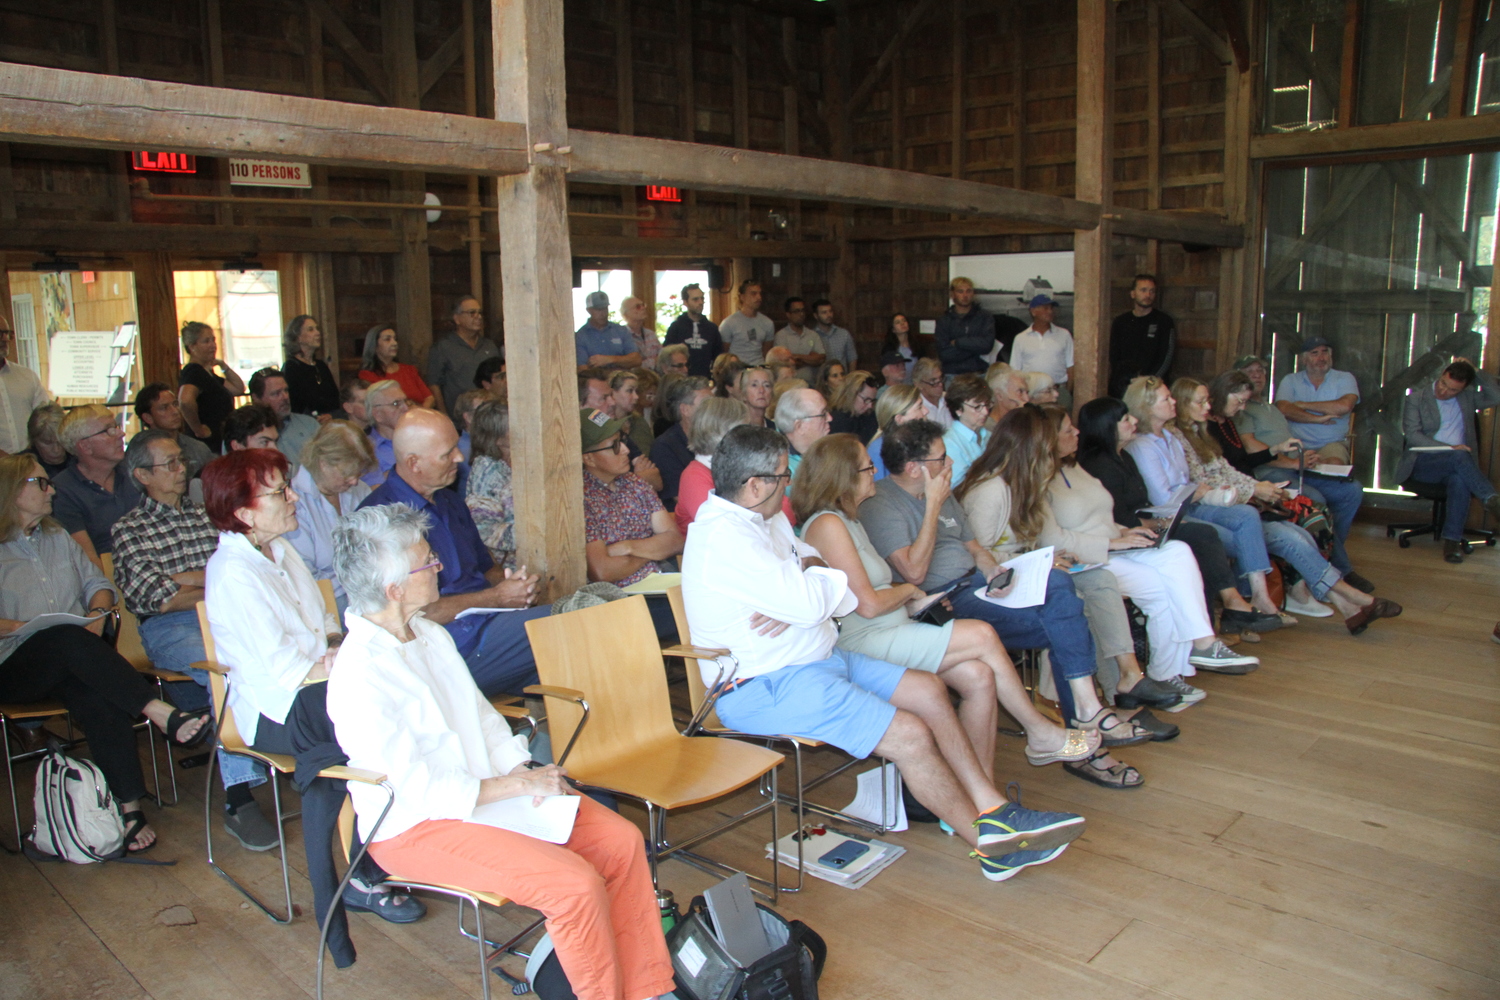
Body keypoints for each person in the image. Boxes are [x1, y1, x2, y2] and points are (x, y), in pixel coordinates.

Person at [686, 425, 1088, 880]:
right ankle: (992, 847)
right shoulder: (725, 538)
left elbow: (825, 591)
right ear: (755, 485)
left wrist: (807, 582)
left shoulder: (766, 516)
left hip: (818, 659)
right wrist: (807, 590)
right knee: (910, 735)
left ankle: (993, 807)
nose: (789, 484)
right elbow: (826, 597)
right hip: (764, 684)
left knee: (929, 691)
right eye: (782, 477)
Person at [327, 503, 675, 1000]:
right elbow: (419, 790)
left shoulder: (426, 633)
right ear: (394, 590)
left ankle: (647, 988)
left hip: (485, 792)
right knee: (573, 886)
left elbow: (484, 719)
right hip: (416, 824)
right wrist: (518, 784)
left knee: (619, 842)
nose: (440, 568)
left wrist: (523, 767)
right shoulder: (360, 675)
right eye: (428, 563)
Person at [203, 448, 425, 935]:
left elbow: (325, 623)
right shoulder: (233, 573)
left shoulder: (280, 551)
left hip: (317, 687)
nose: (291, 497)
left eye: (287, 486)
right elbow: (283, 671)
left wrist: (334, 649)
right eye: (278, 491)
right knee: (378, 721)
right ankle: (365, 871)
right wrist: (339, 663)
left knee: (401, 701)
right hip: (273, 711)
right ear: (242, 513)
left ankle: (395, 849)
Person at [863, 419, 1149, 787]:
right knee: (1066, 624)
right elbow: (914, 572)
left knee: (1060, 585)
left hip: (977, 583)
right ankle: (1086, 729)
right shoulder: (883, 503)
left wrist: (996, 571)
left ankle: (1084, 714)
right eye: (941, 458)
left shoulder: (945, 492)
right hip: (944, 601)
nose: (950, 464)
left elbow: (974, 547)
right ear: (916, 467)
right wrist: (932, 504)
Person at [795, 434, 1099, 770]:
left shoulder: (849, 520)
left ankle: (978, 790)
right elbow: (867, 604)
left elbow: (870, 591)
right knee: (982, 634)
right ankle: (1039, 732)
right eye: (867, 468)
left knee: (978, 674)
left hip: (891, 626)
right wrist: (910, 592)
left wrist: (914, 601)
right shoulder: (827, 524)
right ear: (844, 477)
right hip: (864, 640)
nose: (874, 474)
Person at [0, 454, 210, 854]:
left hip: (71, 657)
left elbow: (100, 584)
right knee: (65, 636)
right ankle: (159, 711)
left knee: (95, 691)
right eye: (41, 483)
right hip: (13, 663)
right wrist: (17, 628)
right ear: (11, 490)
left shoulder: (57, 537)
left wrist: (97, 610)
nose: (52, 490)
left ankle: (129, 807)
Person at [111, 430, 279, 848]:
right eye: (169, 463)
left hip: (230, 616)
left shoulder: (207, 514)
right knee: (226, 673)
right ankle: (239, 800)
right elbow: (160, 599)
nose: (182, 469)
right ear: (142, 475)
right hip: (171, 628)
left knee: (282, 654)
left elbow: (250, 568)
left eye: (181, 460)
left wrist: (188, 579)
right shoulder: (130, 528)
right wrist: (216, 581)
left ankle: (287, 752)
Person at [962, 407, 1193, 712]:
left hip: (1027, 571)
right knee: (1079, 596)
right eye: (1047, 451)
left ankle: (1125, 681)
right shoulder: (991, 490)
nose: (1052, 459)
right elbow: (978, 554)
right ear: (1030, 451)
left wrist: (1045, 557)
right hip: (995, 584)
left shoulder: (1023, 484)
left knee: (1100, 579)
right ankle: (1100, 697)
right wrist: (1038, 559)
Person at [1134, 377, 1400, 636]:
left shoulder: (1198, 432)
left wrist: (1257, 489)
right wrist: (1255, 489)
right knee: (1286, 536)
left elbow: (1225, 472)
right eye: (1202, 402)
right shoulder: (1175, 437)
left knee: (1299, 534)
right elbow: (1197, 485)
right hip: (1210, 509)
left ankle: (1348, 606)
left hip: (1225, 503)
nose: (1208, 407)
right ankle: (1345, 598)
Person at [1031, 406, 1258, 680]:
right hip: (1083, 559)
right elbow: (1052, 539)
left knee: (1177, 550)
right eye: (1068, 430)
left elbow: (1101, 513)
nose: (1077, 431)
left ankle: (1200, 646)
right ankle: (1171, 672)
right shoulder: (1038, 479)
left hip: (1112, 545)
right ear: (1048, 439)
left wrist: (1126, 532)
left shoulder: (1073, 466)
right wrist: (1113, 542)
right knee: (1161, 586)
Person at [360, 408, 550, 696]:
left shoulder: (449, 500)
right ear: (414, 463)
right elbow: (410, 614)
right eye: (447, 454)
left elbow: (487, 570)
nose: (460, 458)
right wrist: (497, 597)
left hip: (490, 624)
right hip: (447, 648)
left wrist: (516, 585)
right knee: (575, 621)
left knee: (576, 641)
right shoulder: (379, 520)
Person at [1075, 397, 1286, 642]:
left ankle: (1218, 619)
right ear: (1106, 427)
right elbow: (1121, 517)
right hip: (1125, 535)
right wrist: (1166, 523)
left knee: (1204, 536)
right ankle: (1223, 614)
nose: (1134, 421)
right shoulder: (1100, 466)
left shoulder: (1123, 457)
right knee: (1201, 536)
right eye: (1125, 419)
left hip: (1148, 523)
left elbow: (1142, 505)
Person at [1207, 370, 1371, 590]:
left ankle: (1325, 568)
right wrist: (1258, 485)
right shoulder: (1214, 426)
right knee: (1312, 506)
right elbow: (1224, 472)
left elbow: (1243, 460)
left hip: (1256, 481)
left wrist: (1276, 449)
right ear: (1224, 392)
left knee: (1349, 491)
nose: (1242, 407)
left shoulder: (1231, 419)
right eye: (1240, 401)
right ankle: (1329, 577)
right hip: (1249, 486)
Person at [1394, 357, 1500, 562]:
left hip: (1456, 465)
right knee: (1459, 456)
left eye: (1452, 390)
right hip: (1424, 463)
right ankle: (1491, 499)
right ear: (1441, 375)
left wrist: (1475, 370)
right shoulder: (1417, 398)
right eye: (1444, 383)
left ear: (1463, 388)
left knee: (1459, 480)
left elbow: (1496, 396)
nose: (1444, 391)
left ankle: (1451, 544)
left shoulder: (1467, 397)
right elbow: (1412, 435)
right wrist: (1450, 448)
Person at [581, 408, 684, 601]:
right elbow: (602, 572)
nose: (626, 450)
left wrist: (627, 547)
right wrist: (653, 551)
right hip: (619, 602)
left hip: (661, 587)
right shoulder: (582, 499)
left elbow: (676, 541)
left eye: (623, 440)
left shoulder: (635, 483)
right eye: (614, 446)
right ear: (588, 458)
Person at [283, 421, 377, 615]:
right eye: (346, 474)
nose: (354, 481)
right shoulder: (295, 504)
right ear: (323, 463)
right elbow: (306, 578)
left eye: (358, 473)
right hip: (327, 604)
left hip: (372, 592)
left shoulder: (359, 491)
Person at [674, 396, 773, 535]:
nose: (750, 437)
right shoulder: (694, 477)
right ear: (721, 434)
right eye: (744, 431)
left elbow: (782, 512)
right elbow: (722, 530)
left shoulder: (739, 467)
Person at [52, 405, 139, 561]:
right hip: (109, 573)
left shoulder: (135, 472)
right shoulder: (62, 490)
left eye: (116, 427)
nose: (121, 433)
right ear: (85, 446)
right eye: (108, 430)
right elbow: (87, 560)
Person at [1275, 336, 1359, 464]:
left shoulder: (1344, 378)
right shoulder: (1290, 380)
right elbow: (1283, 410)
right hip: (1295, 443)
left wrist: (1302, 405)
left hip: (1331, 444)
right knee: (1282, 467)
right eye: (1314, 353)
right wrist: (1317, 419)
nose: (1321, 358)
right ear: (1303, 359)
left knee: (1334, 464)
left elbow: (1345, 406)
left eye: (1325, 352)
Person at [428, 295, 501, 416]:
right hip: (460, 418)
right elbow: (434, 384)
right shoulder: (442, 348)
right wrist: (443, 415)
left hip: (489, 416)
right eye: (472, 313)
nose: (478, 317)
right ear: (457, 319)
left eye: (480, 312)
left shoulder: (489, 346)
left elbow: (500, 378)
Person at [178, 321, 245, 453]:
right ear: (192, 347)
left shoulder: (207, 374)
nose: (213, 345)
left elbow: (238, 388)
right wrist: (198, 429)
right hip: (208, 444)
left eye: (213, 340)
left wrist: (223, 366)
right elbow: (185, 401)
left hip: (220, 440)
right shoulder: (194, 371)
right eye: (206, 341)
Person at [465, 401, 517, 569]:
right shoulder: (486, 470)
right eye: (513, 426)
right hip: (507, 569)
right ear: (497, 438)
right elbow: (484, 529)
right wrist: (536, 534)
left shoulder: (520, 460)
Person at [649, 375, 711, 511]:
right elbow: (683, 499)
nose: (713, 409)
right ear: (685, 410)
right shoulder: (664, 447)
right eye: (706, 404)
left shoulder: (715, 440)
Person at [1108, 275, 1175, 398]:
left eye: (1152, 291)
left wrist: (1149, 381)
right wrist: (1125, 380)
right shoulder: (1121, 322)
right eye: (1143, 290)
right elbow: (1114, 355)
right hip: (1124, 386)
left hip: (1153, 387)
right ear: (1133, 294)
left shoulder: (1164, 321)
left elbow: (1167, 356)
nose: (1148, 295)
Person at [132, 383, 214, 478]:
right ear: (148, 418)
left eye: (175, 404)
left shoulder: (198, 449)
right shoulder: (139, 452)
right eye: (164, 408)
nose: (175, 411)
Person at [250, 368, 320, 476]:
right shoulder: (245, 432)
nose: (285, 397)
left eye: (286, 391)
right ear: (256, 398)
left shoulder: (309, 425)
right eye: (276, 393)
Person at [1009, 295, 1074, 412]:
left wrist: (1066, 391)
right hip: (1033, 393)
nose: (1049, 311)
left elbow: (1071, 366)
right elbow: (1015, 370)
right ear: (1033, 311)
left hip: (1059, 391)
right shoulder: (1021, 338)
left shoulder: (1064, 335)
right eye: (1045, 308)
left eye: (1051, 308)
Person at [359, 324, 436, 410]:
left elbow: (429, 398)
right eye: (387, 339)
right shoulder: (367, 375)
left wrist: (418, 413)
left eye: (395, 339)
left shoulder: (409, 370)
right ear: (375, 345)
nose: (394, 343)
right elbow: (381, 404)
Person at [0, 319, 49, 455]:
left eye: (7, 333)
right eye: (0, 333)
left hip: (29, 461)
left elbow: (45, 417)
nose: (5, 339)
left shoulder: (26, 376)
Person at [866, 383, 931, 480]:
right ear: (899, 419)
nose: (926, 411)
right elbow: (880, 491)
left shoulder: (918, 441)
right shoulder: (878, 451)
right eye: (919, 407)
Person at [934, 277, 995, 377]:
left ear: (973, 294)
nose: (965, 295)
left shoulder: (985, 317)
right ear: (952, 294)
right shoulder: (944, 320)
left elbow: (987, 345)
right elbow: (944, 354)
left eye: (968, 291)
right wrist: (975, 348)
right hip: (952, 375)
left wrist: (958, 343)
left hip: (979, 374)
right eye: (960, 291)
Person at [282, 315, 340, 420]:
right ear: (298, 337)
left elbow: (335, 399)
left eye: (317, 329)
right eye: (310, 330)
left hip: (329, 422)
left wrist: (331, 415)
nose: (317, 333)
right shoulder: (291, 368)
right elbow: (294, 405)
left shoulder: (321, 366)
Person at [662, 283, 723, 377]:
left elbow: (718, 357)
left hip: (705, 379)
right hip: (681, 379)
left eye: (702, 298)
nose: (700, 302)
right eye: (695, 299)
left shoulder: (712, 328)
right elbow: (668, 356)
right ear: (685, 302)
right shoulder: (676, 328)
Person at [943, 374, 992, 485]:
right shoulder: (949, 443)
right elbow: (957, 487)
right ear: (958, 409)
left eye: (987, 405)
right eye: (977, 407)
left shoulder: (989, 435)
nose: (985, 412)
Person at [775, 388, 832, 480]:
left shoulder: (828, 450)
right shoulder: (780, 469)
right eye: (823, 414)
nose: (830, 418)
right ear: (800, 426)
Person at [575, 291, 640, 371]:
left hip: (622, 380)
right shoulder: (581, 336)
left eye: (605, 308)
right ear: (589, 310)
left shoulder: (621, 331)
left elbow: (636, 359)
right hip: (596, 381)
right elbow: (582, 369)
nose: (603, 313)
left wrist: (610, 359)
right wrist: (623, 360)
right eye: (598, 309)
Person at [363, 380, 408, 484]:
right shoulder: (367, 450)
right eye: (396, 404)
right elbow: (374, 492)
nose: (406, 408)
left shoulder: (421, 435)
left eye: (406, 401)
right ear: (377, 414)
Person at [720, 279, 774, 365]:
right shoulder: (729, 323)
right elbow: (724, 353)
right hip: (737, 368)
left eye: (760, 293)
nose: (758, 297)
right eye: (753, 294)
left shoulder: (767, 323)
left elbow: (767, 352)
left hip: (759, 367)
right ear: (742, 297)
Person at [773, 298, 825, 383]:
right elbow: (784, 363)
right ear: (788, 314)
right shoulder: (781, 335)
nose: (801, 314)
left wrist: (798, 357)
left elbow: (821, 359)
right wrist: (810, 358)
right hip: (790, 384)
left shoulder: (813, 335)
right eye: (796, 311)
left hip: (812, 384)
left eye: (802, 310)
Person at [606, 370, 654, 455]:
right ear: (613, 392)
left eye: (636, 391)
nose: (636, 397)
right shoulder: (605, 425)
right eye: (629, 391)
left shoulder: (639, 422)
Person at [829, 370, 880, 442]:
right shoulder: (838, 422)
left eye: (872, 401)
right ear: (851, 395)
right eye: (866, 400)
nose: (870, 406)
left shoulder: (869, 416)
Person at [22, 402, 69, 477]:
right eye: (47, 443)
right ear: (34, 440)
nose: (56, 450)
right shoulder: (19, 468)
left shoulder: (80, 461)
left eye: (60, 441)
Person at [811, 299, 856, 371]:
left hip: (842, 378)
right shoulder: (811, 335)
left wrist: (851, 379)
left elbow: (852, 358)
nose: (829, 315)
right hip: (821, 379)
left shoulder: (844, 334)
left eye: (830, 311)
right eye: (824, 312)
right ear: (816, 315)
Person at [911, 357, 953, 431]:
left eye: (940, 379)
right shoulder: (917, 410)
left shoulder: (950, 399)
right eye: (933, 381)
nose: (940, 384)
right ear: (918, 384)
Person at [620, 295, 660, 366]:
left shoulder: (651, 334)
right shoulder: (622, 336)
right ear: (626, 314)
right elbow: (630, 364)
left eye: (643, 305)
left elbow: (661, 358)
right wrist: (653, 362)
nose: (643, 308)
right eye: (638, 307)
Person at [881, 313, 916, 381]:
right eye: (898, 322)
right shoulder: (889, 348)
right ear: (893, 329)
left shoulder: (917, 345)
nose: (902, 323)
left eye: (904, 321)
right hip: (898, 385)